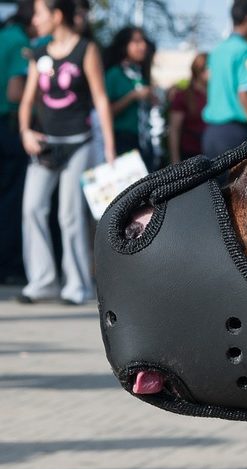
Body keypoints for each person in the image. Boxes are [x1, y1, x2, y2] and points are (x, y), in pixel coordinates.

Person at [17, 0, 114, 305]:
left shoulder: (86, 49)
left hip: (78, 142)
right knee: (32, 207)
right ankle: (42, 281)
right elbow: (27, 99)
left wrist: (109, 147)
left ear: (57, 15)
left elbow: (100, 98)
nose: (35, 18)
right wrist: (25, 131)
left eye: (40, 13)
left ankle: (76, 286)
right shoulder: (39, 52)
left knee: (69, 215)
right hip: (46, 144)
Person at [202, 0, 247, 159]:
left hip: (210, 134)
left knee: (216, 184)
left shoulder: (217, 50)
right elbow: (243, 94)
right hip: (233, 135)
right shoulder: (244, 49)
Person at [0, 0, 33, 285]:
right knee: (12, 202)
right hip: (9, 129)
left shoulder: (3, 36)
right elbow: (14, 92)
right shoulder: (20, 41)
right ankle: (8, 265)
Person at [104, 26, 154, 168]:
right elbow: (106, 112)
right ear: (124, 46)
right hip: (122, 140)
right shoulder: (114, 74)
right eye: (136, 42)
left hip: (144, 140)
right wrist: (132, 97)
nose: (143, 46)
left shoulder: (139, 74)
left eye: (143, 41)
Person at [168, 52, 208, 164]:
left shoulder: (214, 95)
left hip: (211, 152)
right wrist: (175, 160)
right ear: (200, 71)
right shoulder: (183, 96)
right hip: (190, 154)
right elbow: (174, 129)